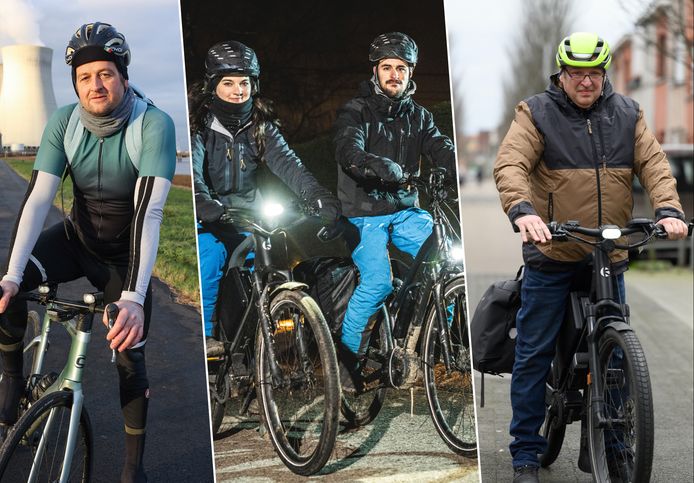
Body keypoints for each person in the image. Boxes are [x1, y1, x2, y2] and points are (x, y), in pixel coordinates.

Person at [493, 32, 688, 483]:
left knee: (618, 355)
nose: (585, 82)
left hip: (608, 252)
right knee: (534, 352)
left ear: (604, 74)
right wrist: (522, 211)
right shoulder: (536, 113)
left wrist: (668, 210)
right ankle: (525, 453)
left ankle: (616, 450)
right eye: (576, 73)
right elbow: (510, 165)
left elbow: (655, 166)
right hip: (554, 251)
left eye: (593, 73)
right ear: (561, 74)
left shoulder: (628, 114)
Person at [0, 22, 176, 482]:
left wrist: (134, 299)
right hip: (76, 240)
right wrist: (14, 276)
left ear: (122, 74)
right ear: (74, 82)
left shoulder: (153, 123)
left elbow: (149, 214)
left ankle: (131, 468)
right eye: (84, 77)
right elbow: (39, 199)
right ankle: (13, 380)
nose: (95, 85)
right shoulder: (63, 121)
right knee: (8, 283)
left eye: (105, 74)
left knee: (128, 352)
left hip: (123, 259)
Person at [189, 41, 340, 356]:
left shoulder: (260, 126)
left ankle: (259, 356)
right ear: (212, 85)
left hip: (247, 214)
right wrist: (204, 203)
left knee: (268, 269)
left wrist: (317, 195)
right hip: (210, 216)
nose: (237, 90)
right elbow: (192, 170)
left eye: (244, 83)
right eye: (228, 83)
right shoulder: (199, 125)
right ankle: (203, 340)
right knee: (212, 258)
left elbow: (289, 164)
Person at [333, 32, 456, 390]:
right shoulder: (354, 111)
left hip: (404, 210)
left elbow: (441, 147)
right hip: (363, 212)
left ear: (409, 72)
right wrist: (377, 165)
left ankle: (430, 341)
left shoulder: (419, 116)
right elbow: (347, 151)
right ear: (375, 71)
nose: (394, 74)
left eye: (400, 68)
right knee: (378, 283)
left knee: (446, 262)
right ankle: (347, 356)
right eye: (386, 67)